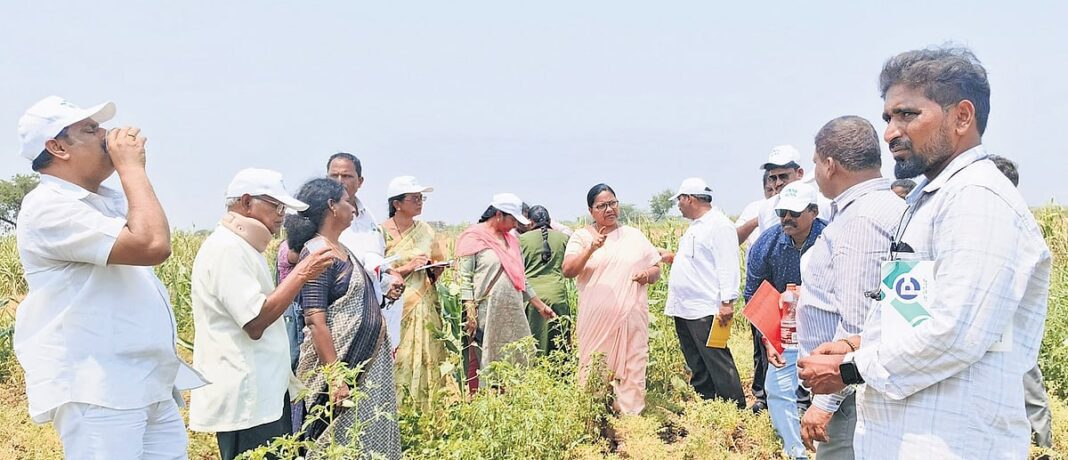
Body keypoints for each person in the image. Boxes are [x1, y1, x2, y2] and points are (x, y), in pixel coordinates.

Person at [798, 46, 1051, 459]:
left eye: (908, 114)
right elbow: (920, 316)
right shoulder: (929, 200)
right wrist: (856, 345)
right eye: (888, 117)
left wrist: (850, 369)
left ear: (962, 117)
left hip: (951, 442)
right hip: (908, 436)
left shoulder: (978, 200)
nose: (890, 132)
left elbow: (958, 332)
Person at [14, 96, 190, 458]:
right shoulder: (49, 206)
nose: (106, 135)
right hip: (99, 388)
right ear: (57, 147)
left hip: (146, 382)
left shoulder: (106, 200)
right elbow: (152, 244)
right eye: (90, 129)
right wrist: (132, 168)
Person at [189, 169, 333, 460]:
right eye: (276, 206)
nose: (282, 215)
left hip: (262, 392)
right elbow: (255, 322)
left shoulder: (242, 247)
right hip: (247, 399)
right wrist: (302, 272)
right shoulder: (227, 249)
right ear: (245, 202)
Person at [795, 116, 906, 458]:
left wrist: (825, 403)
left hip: (847, 392)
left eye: (814, 162)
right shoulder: (882, 207)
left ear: (829, 165)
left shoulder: (861, 220)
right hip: (854, 386)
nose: (815, 171)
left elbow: (859, 322)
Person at [288, 178, 400, 459]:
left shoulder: (342, 250)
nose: (353, 208)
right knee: (333, 442)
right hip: (341, 365)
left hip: (365, 364)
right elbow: (315, 319)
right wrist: (336, 376)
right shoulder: (317, 252)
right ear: (331, 207)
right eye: (348, 202)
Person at [562, 184, 662, 415]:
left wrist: (646, 275)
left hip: (631, 316)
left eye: (613, 203)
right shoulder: (582, 237)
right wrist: (590, 249)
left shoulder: (634, 236)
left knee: (633, 366)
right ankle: (593, 416)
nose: (609, 209)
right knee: (594, 368)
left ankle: (630, 417)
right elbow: (568, 270)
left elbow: (656, 268)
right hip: (596, 321)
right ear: (591, 210)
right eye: (602, 205)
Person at [744, 181, 827, 460]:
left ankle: (829, 448)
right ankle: (795, 451)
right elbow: (755, 296)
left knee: (828, 391)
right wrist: (768, 339)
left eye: (794, 212)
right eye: (782, 213)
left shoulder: (831, 238)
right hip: (784, 329)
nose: (786, 219)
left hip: (825, 327)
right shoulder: (766, 244)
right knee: (777, 389)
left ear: (813, 211)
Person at [456, 194, 556, 393]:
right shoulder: (473, 237)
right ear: (499, 214)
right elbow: (464, 277)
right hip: (485, 312)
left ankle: (510, 400)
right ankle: (482, 401)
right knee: (483, 356)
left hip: (512, 311)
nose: (515, 226)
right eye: (513, 220)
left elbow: (521, 277)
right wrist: (470, 309)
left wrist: (539, 305)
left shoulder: (513, 241)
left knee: (515, 356)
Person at [985, 154, 1053, 450]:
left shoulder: (1019, 223)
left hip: (1009, 322)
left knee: (1028, 390)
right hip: (987, 323)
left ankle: (1042, 450)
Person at [663, 178, 745, 408]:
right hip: (685, 308)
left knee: (717, 362)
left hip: (706, 308)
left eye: (679, 199)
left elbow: (727, 264)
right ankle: (707, 405)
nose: (678, 205)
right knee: (697, 363)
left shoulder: (719, 225)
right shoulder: (696, 227)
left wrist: (727, 302)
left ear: (689, 198)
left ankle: (734, 409)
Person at [381, 176, 457, 406]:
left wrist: (432, 268)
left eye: (421, 198)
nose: (420, 202)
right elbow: (375, 273)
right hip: (394, 306)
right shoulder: (380, 233)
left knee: (427, 355)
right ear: (397, 203)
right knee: (399, 356)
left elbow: (438, 262)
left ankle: (428, 410)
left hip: (423, 303)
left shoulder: (426, 231)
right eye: (414, 198)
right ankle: (398, 410)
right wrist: (407, 267)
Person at [328, 152, 405, 354]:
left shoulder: (368, 217)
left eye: (346, 176)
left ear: (360, 181)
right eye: (333, 176)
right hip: (338, 314)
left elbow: (374, 257)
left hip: (372, 313)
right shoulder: (320, 215)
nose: (339, 181)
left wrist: (390, 275)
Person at [519, 205, 573, 355]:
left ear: (530, 222)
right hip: (558, 297)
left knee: (533, 347)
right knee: (560, 344)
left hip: (532, 300)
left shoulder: (521, 240)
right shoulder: (563, 238)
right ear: (549, 220)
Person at [735, 170, 773, 245]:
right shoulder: (753, 208)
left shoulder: (794, 207)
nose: (774, 193)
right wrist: (757, 220)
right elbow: (733, 239)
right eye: (769, 190)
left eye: (777, 188)